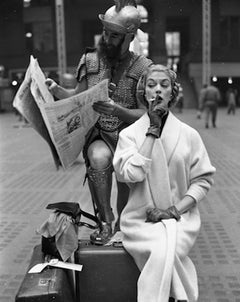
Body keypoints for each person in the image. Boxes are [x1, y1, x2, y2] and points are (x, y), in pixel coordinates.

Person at [45, 0, 152, 245]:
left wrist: (119, 111)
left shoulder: (144, 67)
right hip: (100, 134)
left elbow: (147, 114)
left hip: (130, 138)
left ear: (129, 36)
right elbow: (78, 96)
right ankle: (106, 220)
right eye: (105, 32)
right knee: (98, 158)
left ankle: (124, 222)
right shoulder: (90, 60)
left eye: (114, 35)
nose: (107, 38)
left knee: (126, 180)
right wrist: (57, 90)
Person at [113, 64, 216, 302]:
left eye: (164, 85)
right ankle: (182, 298)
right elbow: (132, 174)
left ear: (172, 92)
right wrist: (152, 131)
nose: (157, 90)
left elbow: (202, 180)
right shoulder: (128, 135)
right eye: (151, 85)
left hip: (181, 217)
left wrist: (173, 211)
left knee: (167, 250)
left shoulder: (189, 134)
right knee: (162, 251)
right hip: (142, 219)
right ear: (143, 93)